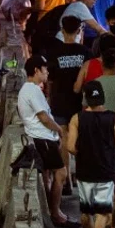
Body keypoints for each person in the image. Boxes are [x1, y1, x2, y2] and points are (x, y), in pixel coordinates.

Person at [18, 56, 77, 228]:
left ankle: (50, 211)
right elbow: (43, 117)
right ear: (36, 71)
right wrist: (59, 130)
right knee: (61, 174)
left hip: (41, 138)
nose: (47, 72)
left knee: (47, 176)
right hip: (43, 138)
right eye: (45, 69)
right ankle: (56, 213)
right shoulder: (32, 90)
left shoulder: (28, 90)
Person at [67, 80, 115, 228]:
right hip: (106, 169)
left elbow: (69, 146)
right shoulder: (114, 117)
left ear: (86, 98)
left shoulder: (77, 118)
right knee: (103, 210)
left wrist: (83, 154)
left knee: (85, 211)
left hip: (85, 170)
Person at [46, 16, 92, 192]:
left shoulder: (54, 53)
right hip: (79, 102)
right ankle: (80, 177)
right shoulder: (86, 52)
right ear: (79, 31)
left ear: (62, 31)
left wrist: (49, 100)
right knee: (79, 138)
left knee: (63, 138)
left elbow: (49, 81)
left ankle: (66, 181)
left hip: (59, 101)